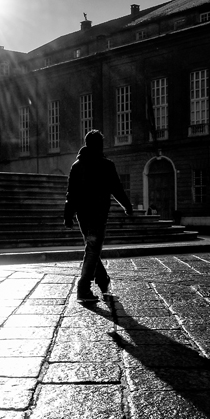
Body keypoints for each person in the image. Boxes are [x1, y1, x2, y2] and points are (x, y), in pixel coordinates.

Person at [64, 129, 133, 302]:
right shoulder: (106, 165)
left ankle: (102, 280)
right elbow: (117, 188)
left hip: (83, 216)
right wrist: (127, 205)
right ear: (99, 145)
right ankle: (83, 288)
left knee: (92, 249)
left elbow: (71, 194)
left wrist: (68, 214)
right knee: (93, 250)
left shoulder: (76, 166)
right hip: (97, 215)